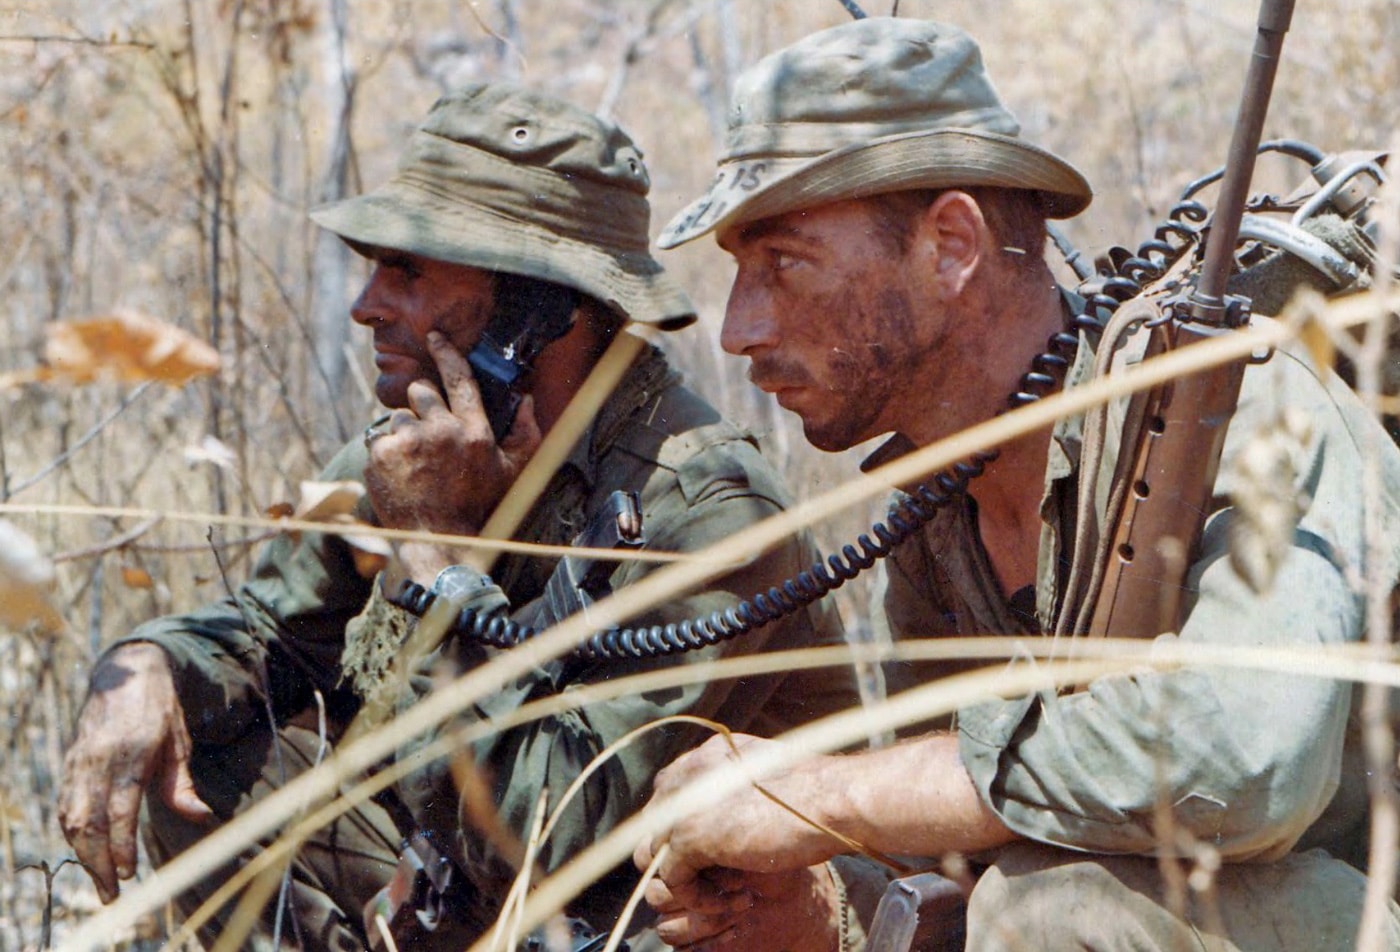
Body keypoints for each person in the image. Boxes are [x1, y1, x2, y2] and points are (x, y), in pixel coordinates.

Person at [634, 17, 1400, 952]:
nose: (740, 329)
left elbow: (1247, 766)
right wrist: (820, 910)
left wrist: (825, 791)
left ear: (951, 244)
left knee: (1050, 911)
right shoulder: (934, 511)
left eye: (785, 264)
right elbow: (981, 851)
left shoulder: (1240, 402)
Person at [57, 82, 855, 951]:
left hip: (641, 912)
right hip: (478, 888)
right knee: (205, 745)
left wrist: (437, 565)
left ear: (538, 310)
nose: (366, 304)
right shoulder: (423, 448)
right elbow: (265, 631)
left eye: (407, 270)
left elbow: (549, 839)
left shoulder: (704, 512)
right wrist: (145, 667)